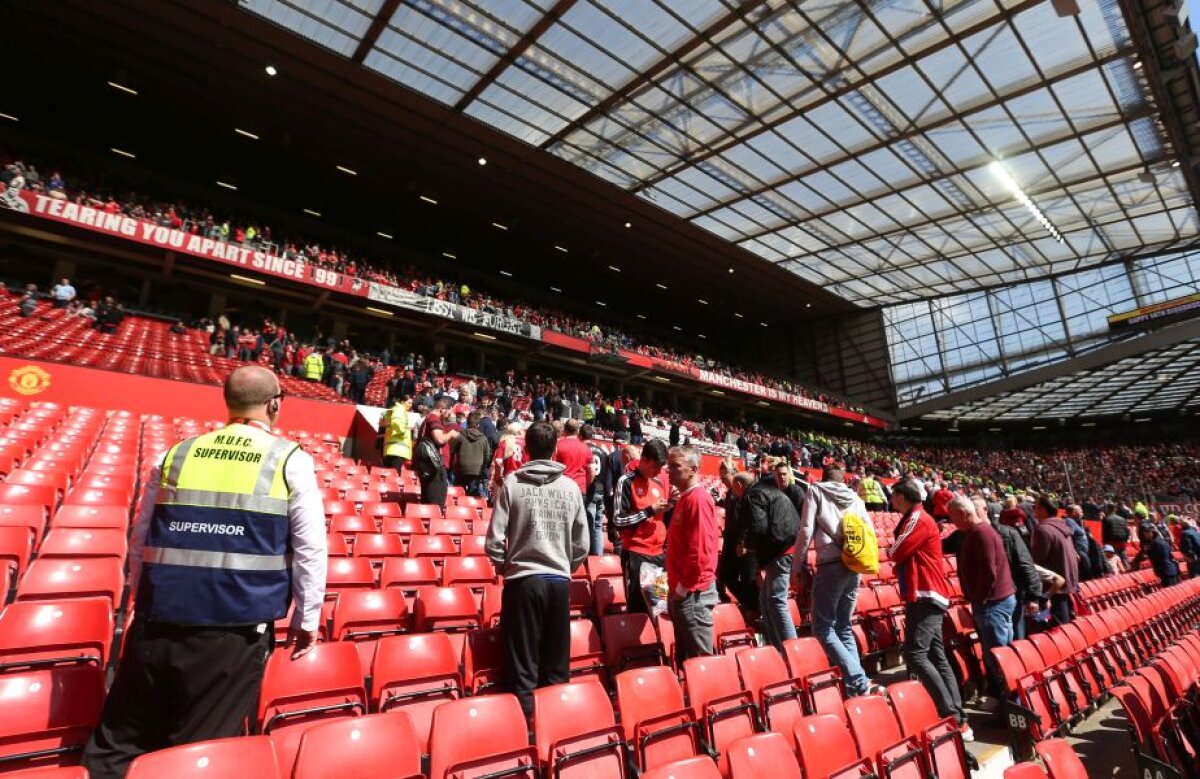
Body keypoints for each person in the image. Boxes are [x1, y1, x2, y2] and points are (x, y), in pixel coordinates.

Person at [81, 366, 327, 779]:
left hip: (156, 622)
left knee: (118, 744)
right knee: (196, 754)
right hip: (232, 633)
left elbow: (141, 540)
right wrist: (307, 619)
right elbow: (309, 549)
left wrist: (144, 604)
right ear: (274, 405)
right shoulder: (290, 460)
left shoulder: (176, 454)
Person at [485, 421, 588, 718]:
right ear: (555, 449)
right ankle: (557, 728)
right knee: (557, 663)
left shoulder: (513, 484)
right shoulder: (570, 487)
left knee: (523, 665)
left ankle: (526, 729)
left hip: (522, 583)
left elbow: (493, 540)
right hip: (558, 582)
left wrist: (507, 567)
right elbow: (581, 543)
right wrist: (565, 566)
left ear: (526, 448)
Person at [889, 480, 971, 740]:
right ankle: (959, 718)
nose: (891, 501)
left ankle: (953, 716)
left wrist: (894, 552)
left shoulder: (918, 518)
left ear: (902, 497)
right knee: (936, 656)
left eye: (894, 497)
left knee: (915, 654)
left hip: (925, 594)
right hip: (929, 594)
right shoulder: (919, 518)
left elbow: (896, 550)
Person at [794, 467, 877, 696]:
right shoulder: (856, 498)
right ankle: (859, 686)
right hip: (854, 564)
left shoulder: (815, 491)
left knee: (823, 627)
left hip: (830, 563)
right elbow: (869, 531)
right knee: (843, 626)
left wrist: (798, 565)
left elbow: (806, 529)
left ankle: (860, 682)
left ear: (824, 479)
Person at [948, 496, 1015, 705]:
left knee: (997, 658)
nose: (952, 522)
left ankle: (1009, 705)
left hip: (992, 603)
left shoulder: (980, 534)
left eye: (953, 517)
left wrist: (981, 598)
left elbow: (988, 572)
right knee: (1000, 654)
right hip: (995, 601)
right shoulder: (977, 532)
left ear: (963, 513)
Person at [665, 446, 720, 662]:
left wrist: (682, 588)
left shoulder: (697, 499)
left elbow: (700, 552)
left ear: (694, 469)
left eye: (675, 466)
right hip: (686, 593)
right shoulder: (686, 498)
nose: (670, 471)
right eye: (669, 466)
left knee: (701, 665)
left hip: (692, 594)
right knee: (689, 661)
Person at [738, 461, 800, 650]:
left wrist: (746, 545)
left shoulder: (752, 495)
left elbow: (759, 527)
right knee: (766, 600)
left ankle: (793, 650)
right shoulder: (769, 490)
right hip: (785, 545)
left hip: (780, 549)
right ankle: (777, 647)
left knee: (776, 600)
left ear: (740, 486)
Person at [612, 438, 671, 614]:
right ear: (643, 460)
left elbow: (660, 519)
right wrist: (648, 511)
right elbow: (618, 520)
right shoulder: (626, 482)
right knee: (638, 606)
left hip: (658, 554)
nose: (658, 471)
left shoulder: (658, 484)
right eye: (655, 466)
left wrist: (670, 506)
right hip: (636, 553)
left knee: (658, 607)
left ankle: (654, 641)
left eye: (661, 467)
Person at [989, 498, 1042, 641]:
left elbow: (1026, 565)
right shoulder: (1019, 521)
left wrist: (1033, 595)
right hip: (1016, 584)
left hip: (1012, 585)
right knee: (1015, 624)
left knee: (1013, 625)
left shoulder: (1006, 530)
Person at [1030, 495, 1079, 626]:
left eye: (1036, 507)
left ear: (1043, 510)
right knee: (1064, 626)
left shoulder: (1043, 529)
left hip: (1052, 591)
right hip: (1066, 586)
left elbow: (1036, 561)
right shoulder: (1061, 526)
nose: (1033, 510)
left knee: (1054, 629)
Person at [719, 471, 760, 611]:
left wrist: (742, 542)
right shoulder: (735, 494)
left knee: (748, 579)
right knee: (728, 575)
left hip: (744, 543)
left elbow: (748, 522)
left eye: (724, 476)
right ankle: (752, 606)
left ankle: (755, 608)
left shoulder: (748, 496)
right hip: (735, 541)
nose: (722, 480)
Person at [417, 398, 459, 509]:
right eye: (449, 411)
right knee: (436, 503)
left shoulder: (428, 418)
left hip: (429, 466)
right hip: (436, 467)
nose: (449, 415)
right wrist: (451, 434)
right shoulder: (434, 419)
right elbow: (439, 439)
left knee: (429, 502)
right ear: (442, 409)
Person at [582, 425, 609, 556]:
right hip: (601, 490)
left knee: (587, 525)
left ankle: (587, 557)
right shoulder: (602, 451)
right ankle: (598, 556)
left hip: (590, 490)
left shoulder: (583, 450)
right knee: (598, 526)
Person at [450, 412, 491, 498]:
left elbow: (452, 451)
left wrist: (451, 467)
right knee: (472, 495)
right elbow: (487, 456)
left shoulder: (460, 436)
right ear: (478, 425)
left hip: (461, 468)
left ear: (467, 423)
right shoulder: (483, 438)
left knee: (458, 493)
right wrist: (483, 467)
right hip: (476, 470)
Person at [552, 419, 592, 497]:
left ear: (565, 429)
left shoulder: (557, 445)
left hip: (562, 489)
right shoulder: (586, 447)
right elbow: (591, 471)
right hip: (579, 489)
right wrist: (585, 486)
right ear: (577, 431)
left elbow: (552, 467)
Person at [1132, 523, 1180, 587]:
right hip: (1171, 570)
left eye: (1147, 532)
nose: (1145, 535)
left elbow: (1150, 555)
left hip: (1166, 571)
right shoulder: (1160, 541)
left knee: (1170, 591)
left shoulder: (1155, 544)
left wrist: (1146, 551)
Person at [379, 395, 414, 471]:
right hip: (397, 450)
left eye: (411, 403)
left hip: (392, 449)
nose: (410, 405)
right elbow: (396, 422)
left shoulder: (396, 409)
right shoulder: (399, 409)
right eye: (409, 403)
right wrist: (403, 431)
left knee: (389, 474)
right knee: (394, 475)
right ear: (402, 402)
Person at [1101, 503, 1131, 567]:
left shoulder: (1106, 519)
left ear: (1108, 509)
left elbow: (1105, 532)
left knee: (1113, 559)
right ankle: (1128, 569)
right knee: (1124, 558)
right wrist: (1125, 539)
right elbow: (1127, 531)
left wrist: (1105, 544)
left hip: (1111, 542)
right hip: (1122, 542)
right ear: (1115, 509)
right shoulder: (1122, 519)